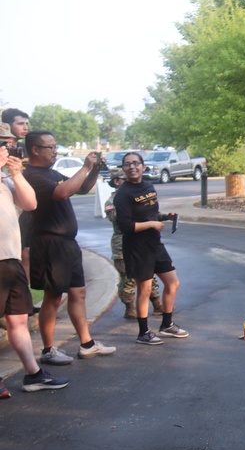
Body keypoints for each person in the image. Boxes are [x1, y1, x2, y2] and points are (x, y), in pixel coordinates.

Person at [23, 130, 116, 364]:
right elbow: (62, 192)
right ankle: (48, 350)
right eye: (50, 147)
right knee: (53, 297)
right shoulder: (33, 175)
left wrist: (94, 169)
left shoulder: (51, 172)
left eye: (55, 147)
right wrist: (84, 167)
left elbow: (81, 188)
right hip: (50, 244)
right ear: (35, 150)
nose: (55, 151)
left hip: (67, 244)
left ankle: (87, 344)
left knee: (78, 292)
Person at [0, 138, 68, 394]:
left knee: (18, 320)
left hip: (10, 260)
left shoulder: (6, 181)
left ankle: (33, 374)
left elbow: (30, 204)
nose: (5, 150)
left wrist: (16, 174)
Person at [114, 152, 188, 345]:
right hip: (137, 248)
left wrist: (165, 217)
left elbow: (152, 214)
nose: (132, 167)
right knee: (144, 290)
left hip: (155, 244)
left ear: (143, 167)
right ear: (123, 169)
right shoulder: (123, 194)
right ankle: (143, 332)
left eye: (136, 163)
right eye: (127, 164)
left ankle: (167, 324)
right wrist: (152, 225)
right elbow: (126, 226)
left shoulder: (148, 186)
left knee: (173, 283)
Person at [104, 168, 164, 318]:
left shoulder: (138, 194)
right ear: (117, 182)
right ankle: (129, 307)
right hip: (122, 244)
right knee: (129, 279)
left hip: (143, 242)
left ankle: (157, 304)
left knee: (149, 275)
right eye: (124, 178)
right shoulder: (112, 201)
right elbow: (120, 220)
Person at [1, 110, 32, 279]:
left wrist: (16, 173)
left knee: (25, 252)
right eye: (3, 143)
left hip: (16, 213)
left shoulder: (23, 150)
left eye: (10, 143)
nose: (8, 148)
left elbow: (30, 203)